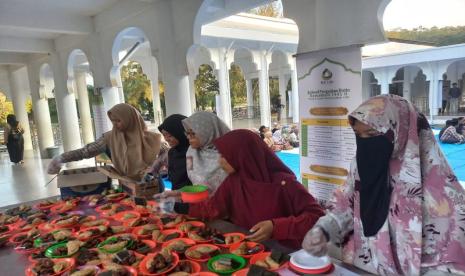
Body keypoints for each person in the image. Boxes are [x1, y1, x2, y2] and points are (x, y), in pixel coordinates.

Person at [302, 95, 465, 275]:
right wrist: (324, 229)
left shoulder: (442, 191)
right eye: (358, 134)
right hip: (362, 269)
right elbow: (347, 204)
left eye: (372, 134)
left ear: (401, 130)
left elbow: (451, 259)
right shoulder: (361, 164)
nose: (365, 142)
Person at [182, 129, 324, 249]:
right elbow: (212, 208)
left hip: (284, 252)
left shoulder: (284, 184)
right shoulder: (234, 181)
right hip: (246, 249)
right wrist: (178, 207)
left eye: (224, 156)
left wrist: (276, 227)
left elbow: (317, 217)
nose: (219, 162)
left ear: (243, 156)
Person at [47, 103, 165, 181]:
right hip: (127, 185)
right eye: (113, 121)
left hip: (152, 185)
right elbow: (85, 152)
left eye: (118, 121)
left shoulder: (152, 138)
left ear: (130, 119)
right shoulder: (109, 138)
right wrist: (61, 158)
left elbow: (167, 153)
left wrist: (156, 166)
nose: (115, 125)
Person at [182, 111, 230, 195]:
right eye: (187, 133)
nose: (188, 137)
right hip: (201, 202)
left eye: (193, 133)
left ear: (207, 132)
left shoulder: (230, 152)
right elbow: (191, 175)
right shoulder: (191, 152)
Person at [153, 114, 192, 213]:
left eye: (170, 135)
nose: (166, 139)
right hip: (177, 199)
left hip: (192, 199)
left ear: (180, 132)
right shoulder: (172, 152)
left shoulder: (192, 152)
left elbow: (193, 178)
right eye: (164, 135)